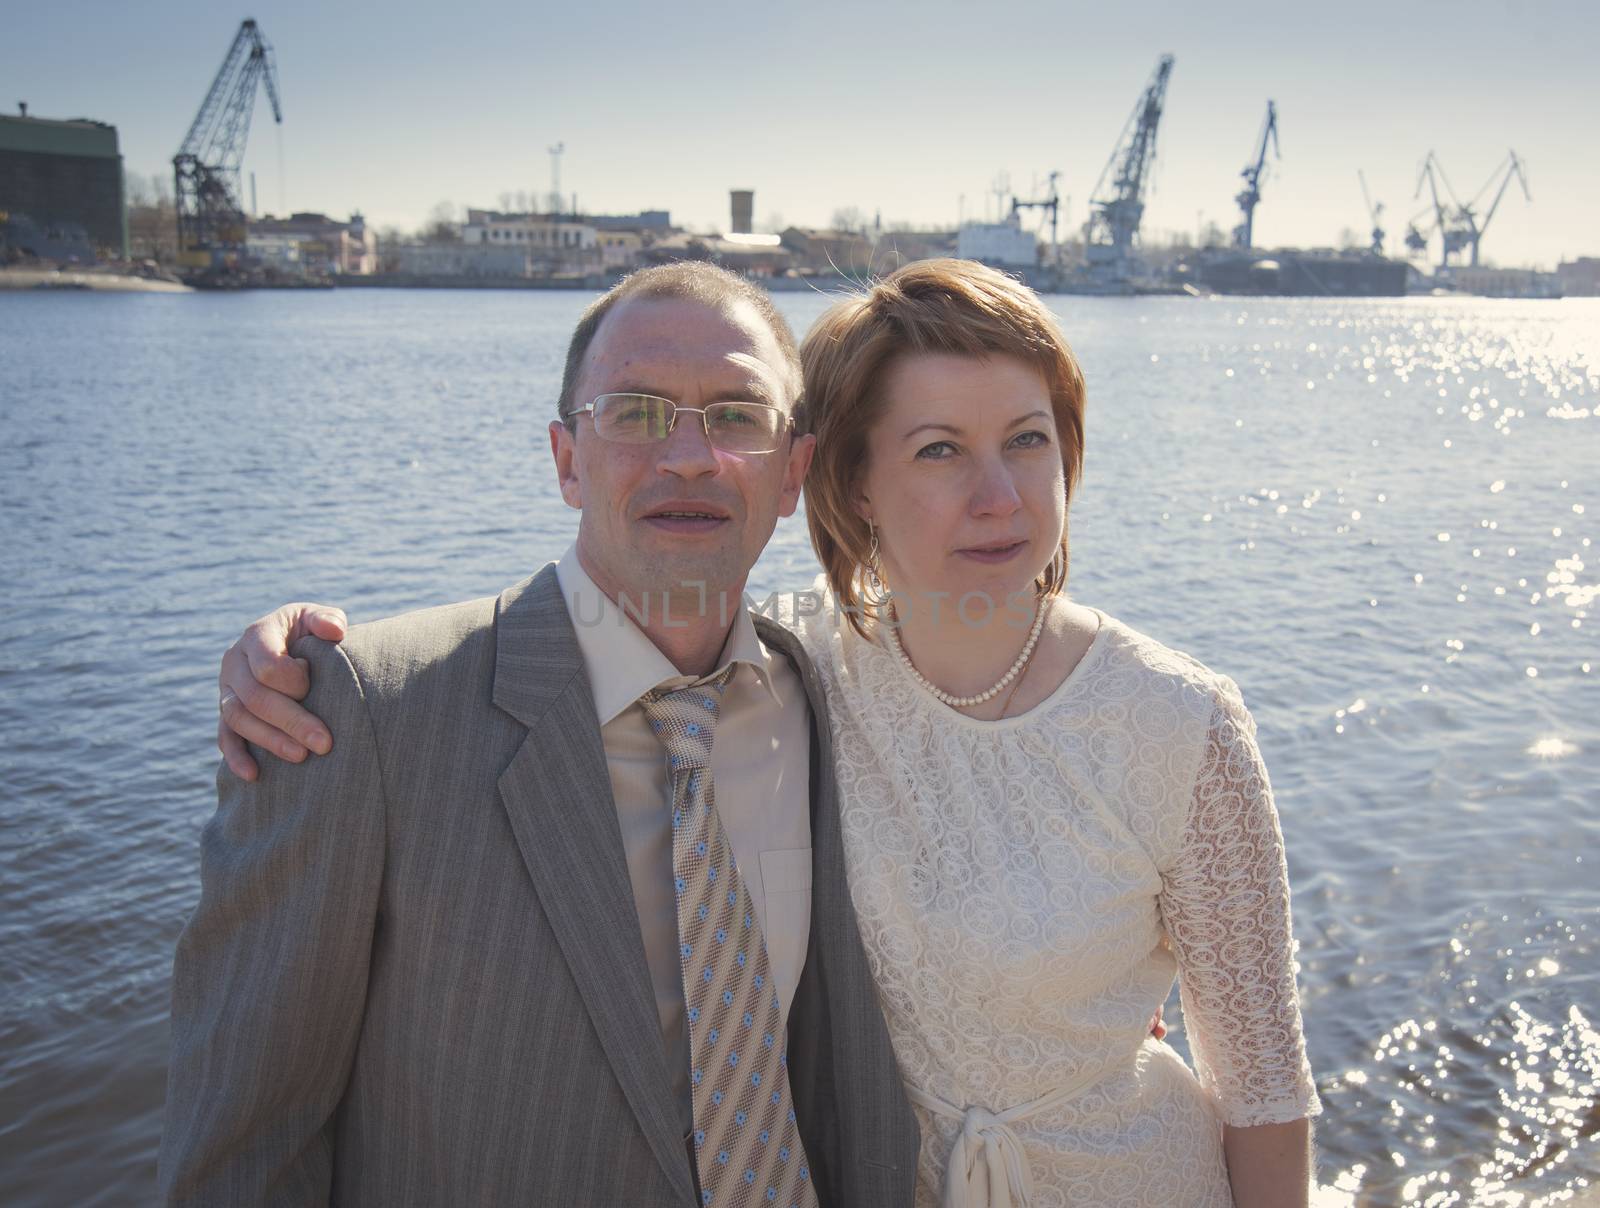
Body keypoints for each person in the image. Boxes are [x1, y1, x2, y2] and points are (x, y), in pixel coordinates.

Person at [216, 260, 1322, 1206]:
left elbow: (1264, 1086)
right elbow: (245, 1124)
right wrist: (293, 660)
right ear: (845, 483)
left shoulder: (1175, 720)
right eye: (938, 449)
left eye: (1027, 441)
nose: (998, 495)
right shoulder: (803, 666)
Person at [159, 263, 920, 1207]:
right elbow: (243, 1142)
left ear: (794, 472)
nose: (689, 455)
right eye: (637, 412)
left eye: (736, 416)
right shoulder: (360, 716)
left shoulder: (829, 693)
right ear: (566, 460)